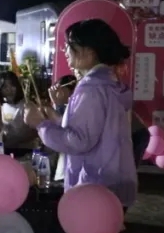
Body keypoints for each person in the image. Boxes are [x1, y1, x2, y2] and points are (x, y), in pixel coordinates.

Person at [25, 18, 137, 210]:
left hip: (93, 186)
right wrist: (53, 117)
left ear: (89, 52)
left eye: (69, 46)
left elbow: (79, 141)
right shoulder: (110, 84)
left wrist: (40, 125)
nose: (65, 51)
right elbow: (92, 130)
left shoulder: (91, 88)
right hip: (113, 182)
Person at [0, 70, 39, 157]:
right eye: (5, 86)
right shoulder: (0, 106)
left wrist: (19, 139)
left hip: (26, 150)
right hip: (6, 149)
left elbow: (36, 130)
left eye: (12, 85)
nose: (9, 89)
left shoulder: (27, 105)